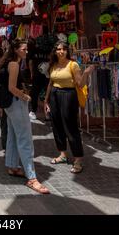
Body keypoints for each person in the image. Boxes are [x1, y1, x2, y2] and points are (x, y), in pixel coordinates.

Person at [5, 39, 50, 194]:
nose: (26, 51)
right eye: (24, 49)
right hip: (16, 104)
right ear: (16, 50)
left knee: (12, 135)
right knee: (25, 140)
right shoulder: (14, 64)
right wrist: (26, 97)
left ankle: (12, 166)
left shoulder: (9, 63)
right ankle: (32, 178)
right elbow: (11, 87)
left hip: (9, 106)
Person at [44, 41, 94, 174]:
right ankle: (63, 155)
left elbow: (80, 84)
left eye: (63, 49)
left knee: (70, 128)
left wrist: (86, 73)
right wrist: (46, 100)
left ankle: (78, 159)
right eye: (58, 49)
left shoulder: (73, 65)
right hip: (55, 95)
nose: (61, 52)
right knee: (57, 126)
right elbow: (51, 83)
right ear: (55, 51)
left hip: (68, 96)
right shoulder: (54, 64)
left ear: (67, 51)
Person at [28, 38, 50, 121]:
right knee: (40, 93)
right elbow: (30, 62)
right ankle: (39, 112)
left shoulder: (37, 50)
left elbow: (30, 62)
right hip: (42, 75)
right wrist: (31, 73)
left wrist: (31, 73)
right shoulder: (36, 50)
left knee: (37, 93)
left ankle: (40, 112)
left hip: (42, 75)